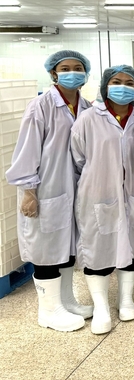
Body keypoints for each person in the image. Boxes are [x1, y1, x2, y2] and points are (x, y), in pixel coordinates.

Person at [5, 50, 93, 332]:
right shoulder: (40, 106)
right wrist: (28, 190)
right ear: (54, 73)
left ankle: (67, 300)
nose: (72, 72)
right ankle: (49, 310)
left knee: (66, 248)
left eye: (77, 67)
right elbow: (27, 149)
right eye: (65, 68)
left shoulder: (87, 106)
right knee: (46, 250)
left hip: (74, 189)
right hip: (45, 189)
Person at [70, 65, 134, 334]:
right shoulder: (89, 119)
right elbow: (79, 158)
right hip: (98, 193)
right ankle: (101, 306)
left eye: (129, 82)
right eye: (117, 81)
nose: (123, 87)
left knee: (133, 245)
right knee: (97, 250)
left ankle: (126, 299)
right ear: (106, 86)